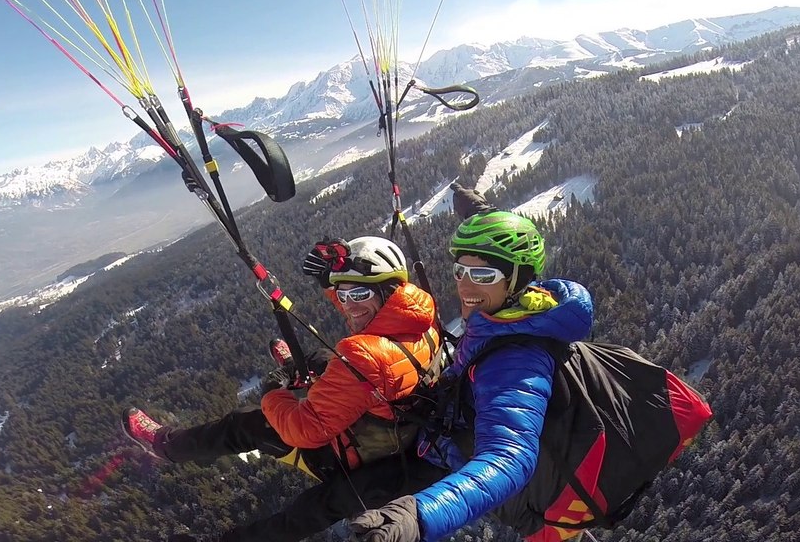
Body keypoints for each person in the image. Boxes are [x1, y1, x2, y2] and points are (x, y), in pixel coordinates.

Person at [121, 236, 446, 542]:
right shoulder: (421, 318)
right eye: (343, 294)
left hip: (350, 458)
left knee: (249, 428)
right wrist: (332, 281)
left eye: (358, 295)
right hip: (399, 437)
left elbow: (305, 430)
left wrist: (272, 393)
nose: (348, 305)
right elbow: (367, 334)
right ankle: (298, 366)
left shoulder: (363, 353)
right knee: (324, 359)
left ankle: (167, 446)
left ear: (390, 291)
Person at [347, 201, 596, 542]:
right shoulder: (514, 313)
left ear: (517, 278)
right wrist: (482, 213)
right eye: (459, 271)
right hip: (455, 452)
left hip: (529, 511)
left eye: (481, 276)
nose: (464, 286)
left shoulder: (515, 359)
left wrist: (419, 516)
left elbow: (509, 457)